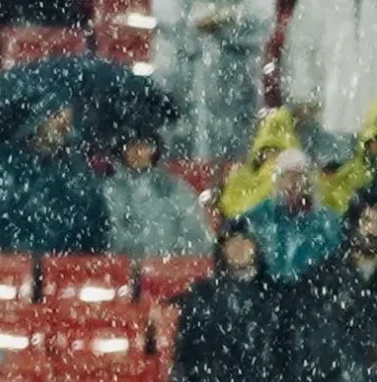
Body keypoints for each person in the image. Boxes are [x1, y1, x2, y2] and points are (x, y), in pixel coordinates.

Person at [165, 226, 299, 382]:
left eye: (245, 241)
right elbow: (185, 364)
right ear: (221, 249)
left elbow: (291, 364)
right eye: (232, 242)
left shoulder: (280, 298)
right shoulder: (203, 297)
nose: (238, 248)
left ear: (257, 246)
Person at [0, 103, 109, 254]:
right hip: (6, 271)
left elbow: (94, 228)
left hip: (62, 274)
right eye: (56, 116)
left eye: (68, 119)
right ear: (36, 120)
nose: (63, 126)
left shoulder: (76, 172)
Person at [291, 189, 377, 382]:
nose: (373, 231)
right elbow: (311, 348)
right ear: (353, 224)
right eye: (367, 221)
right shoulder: (323, 278)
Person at [153, 0, 276, 162]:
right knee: (181, 148)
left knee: (237, 152)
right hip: (184, 71)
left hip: (237, 74)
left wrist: (228, 19)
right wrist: (193, 25)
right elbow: (167, 17)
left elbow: (262, 16)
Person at [281, 0, 377, 157]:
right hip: (327, 114)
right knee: (330, 170)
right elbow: (300, 49)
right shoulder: (316, 3)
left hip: (371, 119)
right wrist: (302, 95)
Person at [105, 130, 214, 259]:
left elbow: (197, 236)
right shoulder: (109, 190)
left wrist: (171, 259)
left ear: (154, 150)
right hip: (119, 271)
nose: (138, 152)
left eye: (145, 146)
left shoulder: (174, 187)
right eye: (132, 146)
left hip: (170, 270)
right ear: (122, 151)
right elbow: (109, 238)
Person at [243, 152, 346, 282]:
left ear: (307, 181)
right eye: (285, 177)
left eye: (297, 178)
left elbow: (333, 257)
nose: (291, 184)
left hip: (313, 289)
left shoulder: (325, 220)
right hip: (268, 291)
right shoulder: (261, 214)